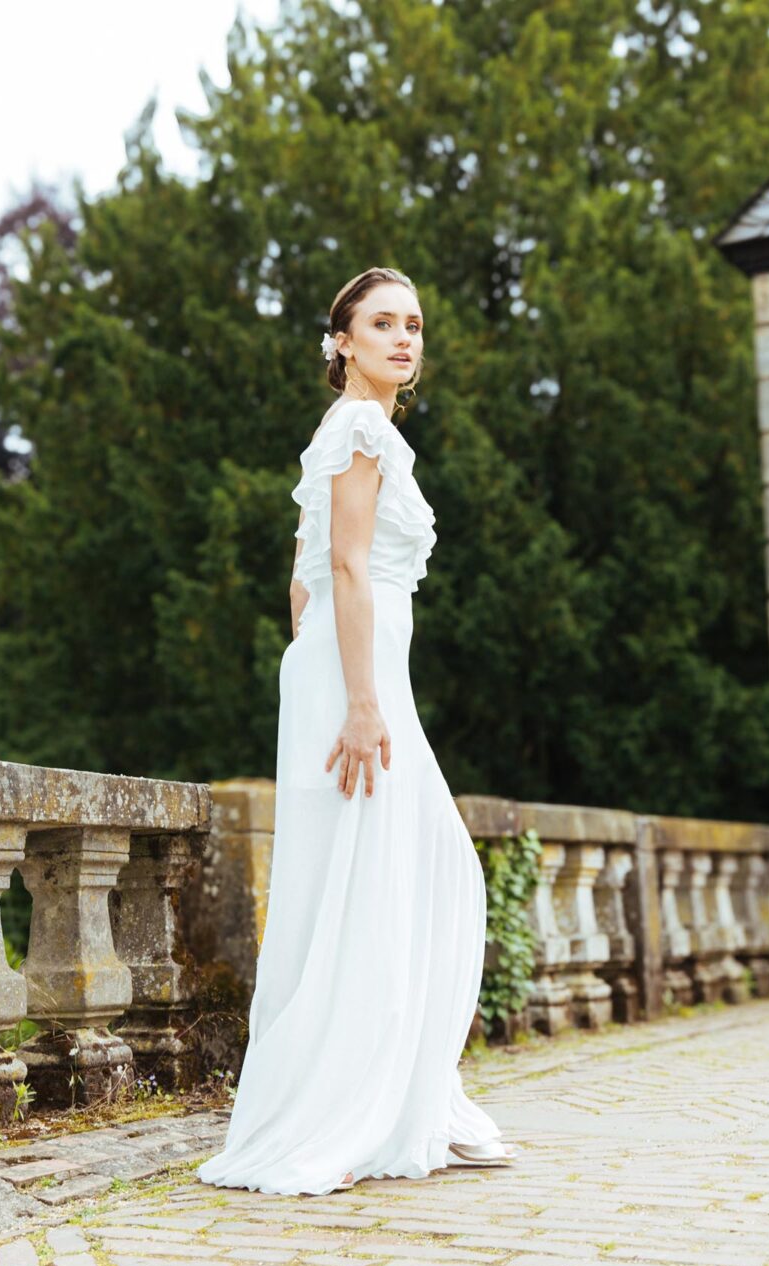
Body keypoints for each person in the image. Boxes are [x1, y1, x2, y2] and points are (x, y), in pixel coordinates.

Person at [196, 267, 519, 1197]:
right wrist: (363, 701)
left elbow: (301, 579)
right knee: (400, 871)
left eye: (414, 324)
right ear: (340, 341)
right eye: (383, 324)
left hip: (342, 668)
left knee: (366, 876)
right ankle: (360, 1104)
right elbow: (340, 563)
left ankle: (393, 1095)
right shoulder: (362, 428)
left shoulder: (344, 433)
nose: (404, 339)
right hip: (358, 682)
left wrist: (328, 671)